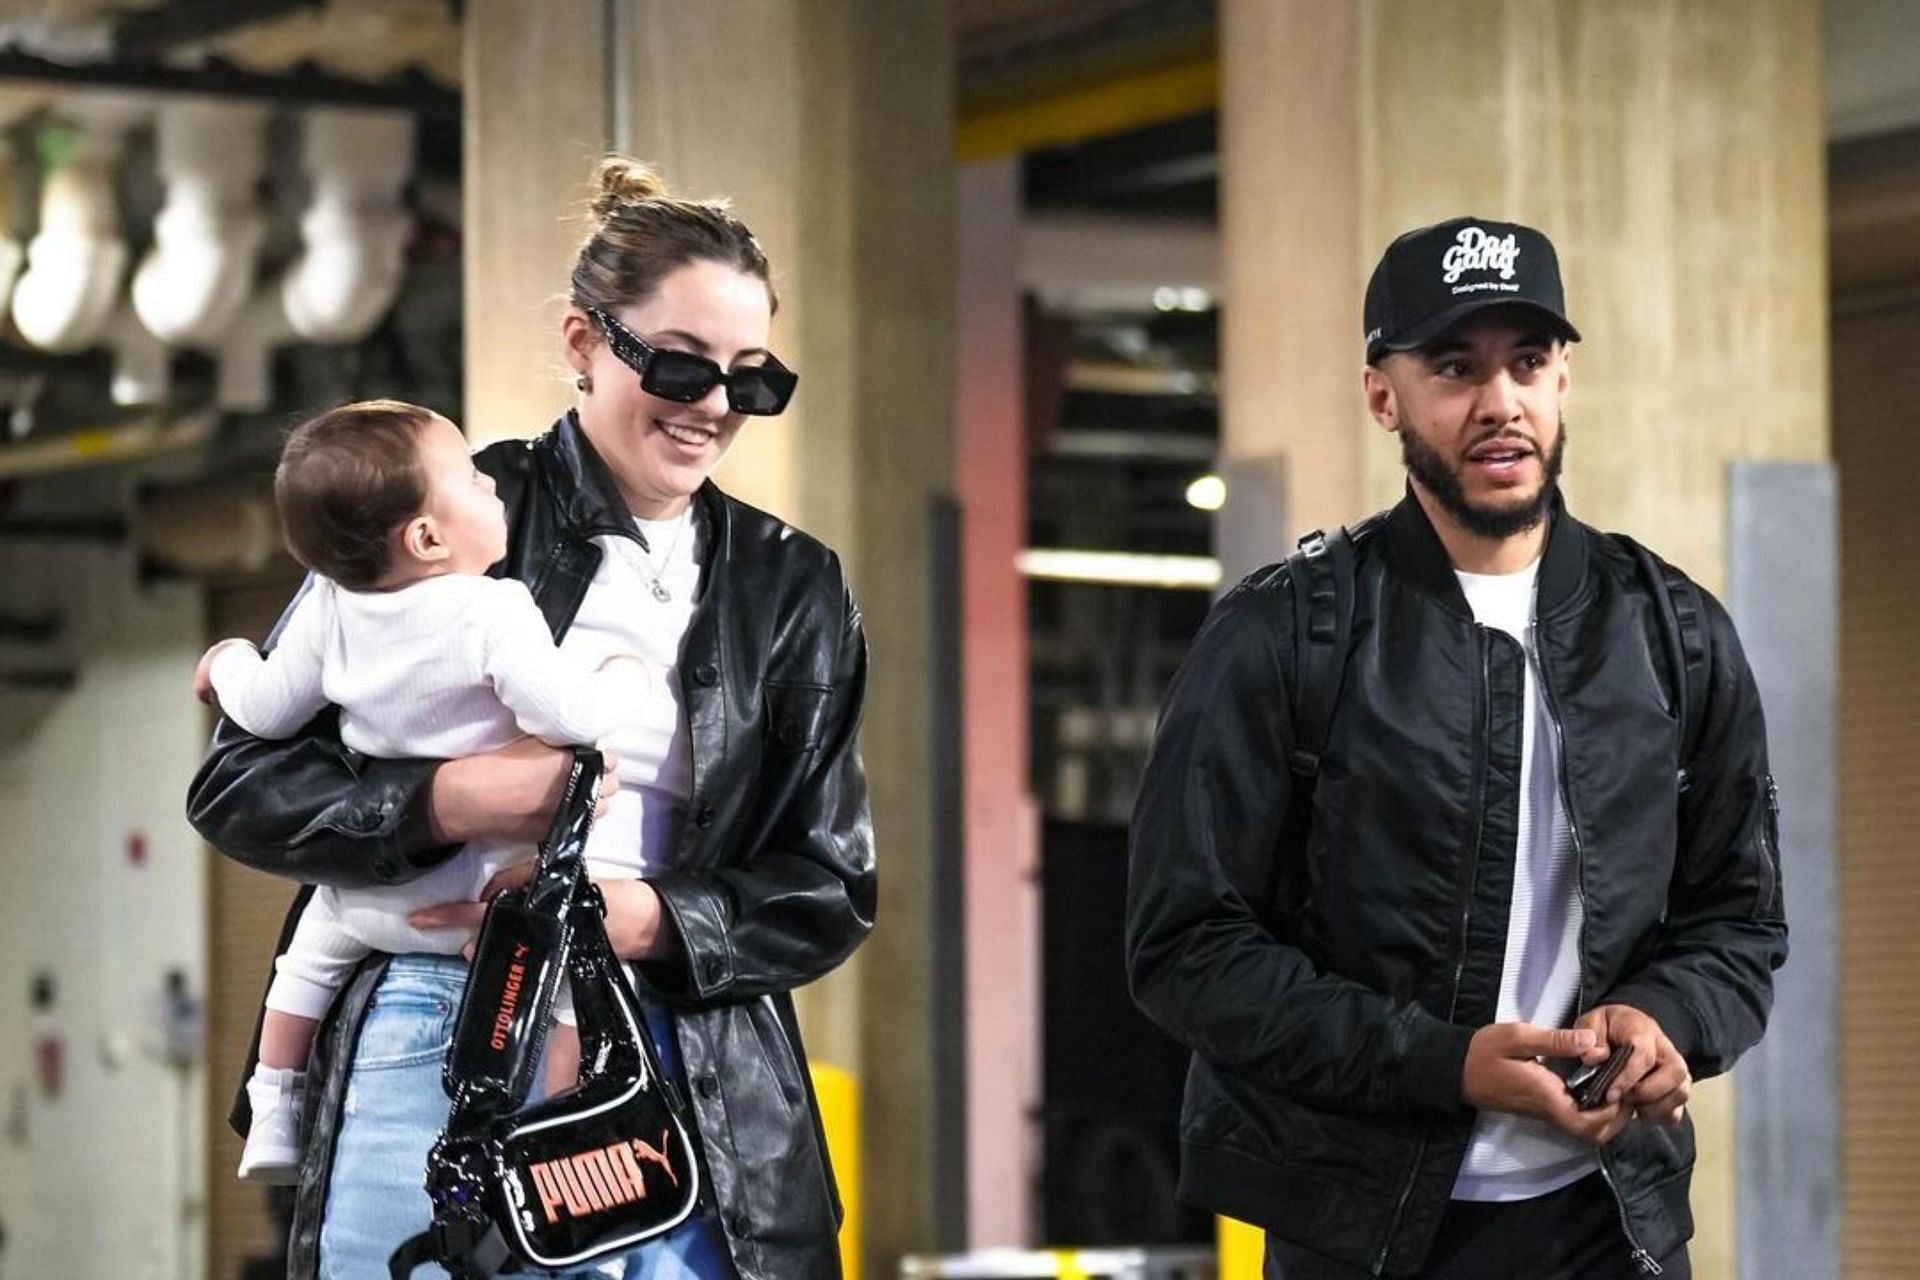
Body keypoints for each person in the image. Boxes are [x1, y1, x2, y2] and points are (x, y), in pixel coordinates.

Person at [188, 157, 873, 1280]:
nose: (711, 406)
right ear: (582, 341)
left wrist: (643, 914)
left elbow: (830, 885)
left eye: (749, 380)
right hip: (444, 1019)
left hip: (701, 1066)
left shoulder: (794, 586)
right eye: (682, 363)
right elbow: (239, 784)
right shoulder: (441, 515)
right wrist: (447, 799)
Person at [1126, 216, 1787, 1279]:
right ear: (1383, 394)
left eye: (1528, 361)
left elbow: (1740, 920)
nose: (1500, 401)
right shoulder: (1286, 633)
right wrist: (1444, 1062)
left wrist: (1669, 1015)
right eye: (1454, 365)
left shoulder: (1675, 632)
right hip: (1361, 1225)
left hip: (1608, 1221)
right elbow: (1185, 947)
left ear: (1565, 377)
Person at [193, 398, 665, 1183]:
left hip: (373, 905)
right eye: (475, 481)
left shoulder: (332, 610)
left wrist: (226, 662)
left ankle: (274, 1108)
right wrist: (626, 680)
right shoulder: (491, 609)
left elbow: (267, 708)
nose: (494, 486)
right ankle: (563, 1164)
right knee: (562, 1010)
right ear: (427, 537)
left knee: (305, 963)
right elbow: (570, 715)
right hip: (489, 900)